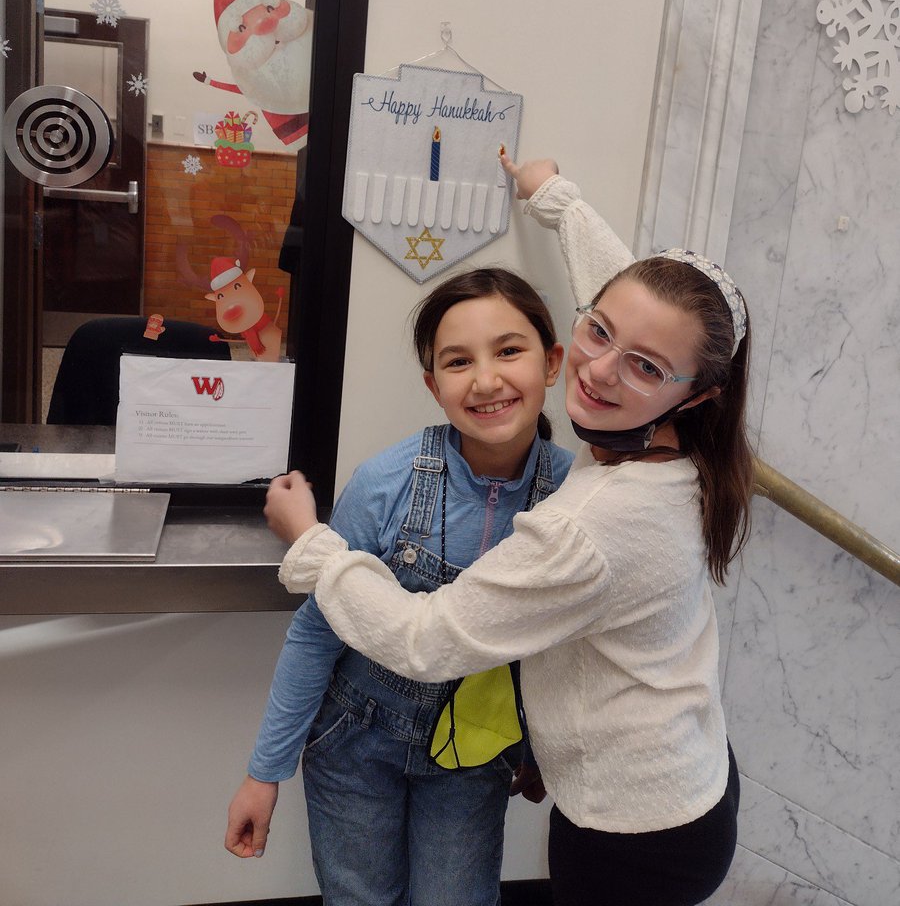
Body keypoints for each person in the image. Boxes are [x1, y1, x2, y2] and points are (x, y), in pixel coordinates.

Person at [262, 158, 753, 906]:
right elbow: (640, 305)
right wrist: (555, 198)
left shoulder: (586, 518)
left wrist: (312, 543)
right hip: (690, 775)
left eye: (645, 367)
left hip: (632, 832)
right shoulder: (677, 440)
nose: (600, 372)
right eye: (598, 332)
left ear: (697, 396)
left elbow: (427, 641)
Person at [225, 264, 575, 906]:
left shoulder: (576, 497)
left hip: (473, 756)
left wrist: (538, 743)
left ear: (552, 363)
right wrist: (264, 773)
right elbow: (314, 633)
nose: (487, 379)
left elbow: (561, 645)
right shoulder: (385, 482)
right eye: (458, 361)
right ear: (432, 383)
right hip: (355, 743)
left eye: (509, 350)